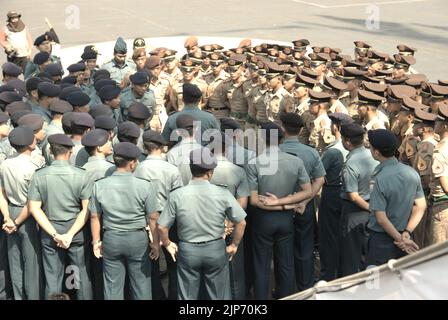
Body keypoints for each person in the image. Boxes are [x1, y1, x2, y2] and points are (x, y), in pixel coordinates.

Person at [158, 147, 247, 300]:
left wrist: (167, 243)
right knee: (219, 295)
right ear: (210, 172)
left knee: (187, 296)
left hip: (188, 250)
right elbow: (241, 222)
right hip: (215, 249)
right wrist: (234, 245)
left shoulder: (176, 195)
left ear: (192, 169)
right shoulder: (222, 193)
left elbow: (162, 226)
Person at [247, 121, 312, 299]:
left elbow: (253, 200)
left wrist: (272, 203)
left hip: (262, 218)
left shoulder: (254, 163)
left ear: (262, 139)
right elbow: (308, 191)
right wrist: (283, 204)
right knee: (286, 263)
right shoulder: (295, 161)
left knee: (261, 264)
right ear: (282, 139)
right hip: (285, 219)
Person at [90, 142, 160, 300]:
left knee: (112, 287)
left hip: (112, 238)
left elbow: (95, 216)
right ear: (132, 163)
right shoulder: (144, 186)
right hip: (137, 239)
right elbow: (153, 217)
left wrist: (96, 242)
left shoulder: (99, 185)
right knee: (141, 285)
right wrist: (156, 243)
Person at [28, 134, 92, 299]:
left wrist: (55, 234)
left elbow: (34, 208)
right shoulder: (82, 175)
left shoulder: (39, 175)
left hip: (51, 233)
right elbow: (86, 209)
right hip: (76, 233)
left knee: (53, 277)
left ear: (50, 151)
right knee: (77, 276)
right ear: (70, 151)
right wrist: (69, 234)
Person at [278, 113, 325, 291]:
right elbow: (320, 179)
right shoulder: (311, 152)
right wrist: (305, 199)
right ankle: (305, 287)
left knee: (282, 251)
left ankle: (284, 289)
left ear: (283, 128)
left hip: (279, 207)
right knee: (305, 248)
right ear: (300, 130)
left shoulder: (275, 151)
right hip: (303, 207)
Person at [134, 130, 183, 300]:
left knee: (151, 260)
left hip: (146, 219)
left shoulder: (138, 169)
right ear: (162, 147)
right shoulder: (172, 169)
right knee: (174, 261)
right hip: (170, 218)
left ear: (145, 147)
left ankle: (157, 296)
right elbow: (178, 198)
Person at [366, 129, 426, 266]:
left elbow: (381, 219)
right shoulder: (411, 173)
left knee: (375, 283)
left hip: (382, 241)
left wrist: (400, 240)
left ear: (376, 152)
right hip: (405, 236)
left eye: (370, 147)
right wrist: (406, 232)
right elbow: (421, 206)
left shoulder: (379, 178)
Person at [0, 127, 43, 300]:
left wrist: (7, 218)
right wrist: (16, 222)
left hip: (10, 210)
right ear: (30, 144)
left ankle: (18, 297)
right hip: (29, 216)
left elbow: (1, 193)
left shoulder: (5, 164)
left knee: (14, 261)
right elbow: (32, 203)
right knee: (31, 263)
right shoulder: (35, 165)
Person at [209, 132, 250, 300]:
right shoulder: (238, 171)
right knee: (235, 271)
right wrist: (230, 223)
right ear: (228, 148)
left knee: (210, 272)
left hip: (209, 225)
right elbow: (243, 203)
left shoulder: (204, 171)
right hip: (232, 224)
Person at [339, 123, 379, 277]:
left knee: (350, 257)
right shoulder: (373, 155)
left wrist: (371, 208)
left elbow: (353, 196)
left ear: (347, 142)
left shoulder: (350, 163)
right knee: (368, 254)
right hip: (374, 209)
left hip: (355, 213)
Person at [319, 113, 352, 281]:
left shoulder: (332, 151)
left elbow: (319, 174)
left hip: (331, 192)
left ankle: (328, 275)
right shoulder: (353, 148)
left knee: (328, 236)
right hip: (348, 194)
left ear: (336, 127)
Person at [429, 103, 448, 245]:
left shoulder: (440, 150)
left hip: (442, 207)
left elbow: (445, 185)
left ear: (445, 127)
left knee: (437, 253)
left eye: (438, 122)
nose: (435, 124)